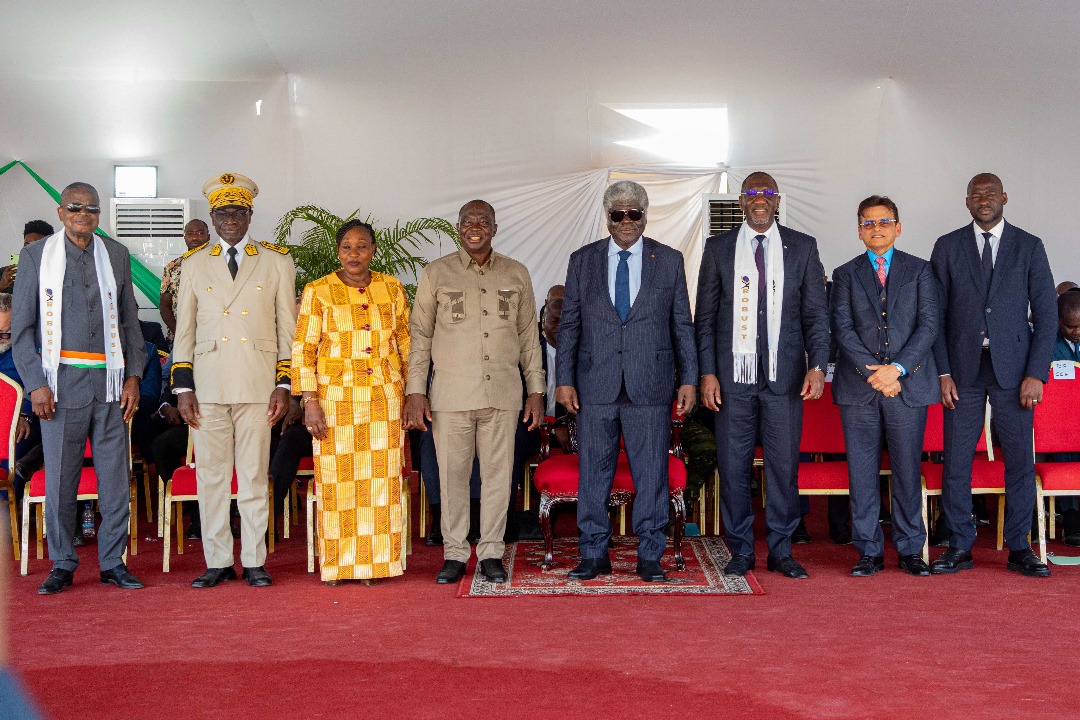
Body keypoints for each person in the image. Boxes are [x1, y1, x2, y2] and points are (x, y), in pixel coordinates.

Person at [556, 180, 698, 583]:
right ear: (607, 218)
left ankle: (649, 555)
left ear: (645, 215)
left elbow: (681, 325)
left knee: (651, 472)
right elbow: (570, 325)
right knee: (593, 473)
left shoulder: (668, 260)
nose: (626, 221)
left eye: (633, 213)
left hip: (650, 384)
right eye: (617, 214)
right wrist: (563, 379)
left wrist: (688, 378)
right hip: (594, 385)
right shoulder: (583, 260)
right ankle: (593, 553)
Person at [11, 182, 146, 594]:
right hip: (59, 386)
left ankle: (112, 562)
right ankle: (63, 562)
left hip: (109, 383)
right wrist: (35, 384)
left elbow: (129, 323)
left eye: (90, 208)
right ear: (60, 211)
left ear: (99, 215)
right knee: (61, 481)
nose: (82, 213)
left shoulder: (117, 255)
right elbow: (22, 329)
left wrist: (134, 377)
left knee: (114, 479)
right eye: (74, 206)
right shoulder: (36, 256)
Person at [695, 171, 830, 579]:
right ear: (740, 202)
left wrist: (818, 365)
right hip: (733, 379)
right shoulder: (718, 248)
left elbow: (815, 315)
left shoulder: (802, 248)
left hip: (784, 378)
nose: (759, 199)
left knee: (783, 467)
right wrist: (707, 373)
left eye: (766, 193)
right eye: (752, 193)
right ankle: (739, 549)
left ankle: (782, 549)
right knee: (733, 466)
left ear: (777, 201)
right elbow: (705, 318)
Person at [404, 200, 545, 585]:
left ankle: (492, 552)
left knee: (499, 478)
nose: (475, 227)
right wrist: (416, 391)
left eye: (483, 221)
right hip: (450, 395)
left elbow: (529, 337)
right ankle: (453, 554)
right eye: (468, 221)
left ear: (495, 229)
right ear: (458, 227)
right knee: (452, 477)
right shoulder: (437, 273)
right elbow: (420, 336)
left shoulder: (517, 274)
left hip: (503, 393)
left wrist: (536, 390)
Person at [172, 172, 296, 588]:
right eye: (222, 212)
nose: (230, 219)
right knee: (210, 475)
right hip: (207, 386)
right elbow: (183, 331)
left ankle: (255, 559)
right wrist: (183, 387)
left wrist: (284, 383)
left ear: (250, 214)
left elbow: (287, 329)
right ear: (211, 215)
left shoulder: (276, 260)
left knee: (255, 475)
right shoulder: (193, 263)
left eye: (238, 211)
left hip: (258, 384)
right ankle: (218, 560)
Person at [930, 172, 1056, 577]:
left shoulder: (1029, 246)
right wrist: (943, 372)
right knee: (956, 462)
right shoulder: (947, 246)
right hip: (962, 373)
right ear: (966, 202)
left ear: (1004, 197)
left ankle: (1019, 547)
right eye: (975, 195)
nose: (983, 200)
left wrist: (1037, 372)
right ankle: (960, 545)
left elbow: (1047, 314)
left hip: (1016, 373)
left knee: (1019, 461)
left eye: (989, 194)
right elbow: (935, 316)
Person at [292, 219, 410, 586]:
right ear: (337, 251)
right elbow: (304, 348)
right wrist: (309, 399)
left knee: (380, 480)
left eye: (361, 246)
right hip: (335, 399)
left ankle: (376, 565)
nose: (353, 253)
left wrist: (414, 393)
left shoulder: (391, 288)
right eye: (346, 246)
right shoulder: (318, 290)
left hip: (384, 397)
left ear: (374, 250)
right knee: (337, 480)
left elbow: (407, 343)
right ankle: (340, 564)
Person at [831, 195, 938, 577]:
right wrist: (874, 373)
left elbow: (928, 326)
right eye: (867, 223)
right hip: (859, 388)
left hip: (907, 386)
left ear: (898, 227)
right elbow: (841, 328)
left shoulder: (921, 270)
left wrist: (897, 370)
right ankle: (868, 551)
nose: (876, 228)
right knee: (861, 472)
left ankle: (911, 549)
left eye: (883, 221)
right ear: (859, 231)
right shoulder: (844, 274)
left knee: (908, 471)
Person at [1048, 288, 1080, 545]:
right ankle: (1071, 517)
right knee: (1063, 449)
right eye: (1071, 327)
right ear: (1059, 321)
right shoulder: (1047, 343)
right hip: (1058, 423)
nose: (1077, 332)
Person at [159, 219, 210, 344]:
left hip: (212, 336)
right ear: (185, 237)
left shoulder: (220, 263)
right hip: (180, 336)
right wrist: (180, 333)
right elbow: (165, 305)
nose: (194, 238)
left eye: (199, 233)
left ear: (208, 236)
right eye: (190, 233)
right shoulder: (172, 266)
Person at [0, 220, 55, 294]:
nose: (30, 250)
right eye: (27, 245)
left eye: (36, 246)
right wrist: (1, 286)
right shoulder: (5, 274)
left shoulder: (59, 273)